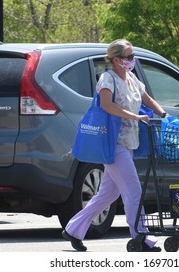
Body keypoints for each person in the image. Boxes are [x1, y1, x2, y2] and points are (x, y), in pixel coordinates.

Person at [62, 39, 168, 252]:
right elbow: (107, 106)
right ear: (117, 60)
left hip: (127, 143)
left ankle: (73, 229)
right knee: (133, 191)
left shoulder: (132, 78)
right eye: (129, 57)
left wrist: (162, 113)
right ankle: (141, 237)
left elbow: (146, 98)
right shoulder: (107, 79)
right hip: (113, 143)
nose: (132, 60)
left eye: (133, 56)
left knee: (108, 195)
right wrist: (134, 117)